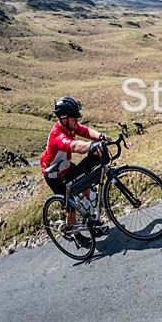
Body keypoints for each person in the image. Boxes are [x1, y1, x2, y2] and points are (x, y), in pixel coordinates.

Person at [40, 97, 109, 244]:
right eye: (74, 118)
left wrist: (101, 136)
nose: (77, 120)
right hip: (53, 174)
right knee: (71, 205)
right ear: (64, 119)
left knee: (85, 187)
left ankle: (91, 221)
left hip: (65, 166)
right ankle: (75, 233)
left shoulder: (70, 125)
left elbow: (85, 131)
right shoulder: (57, 135)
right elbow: (75, 146)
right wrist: (91, 146)